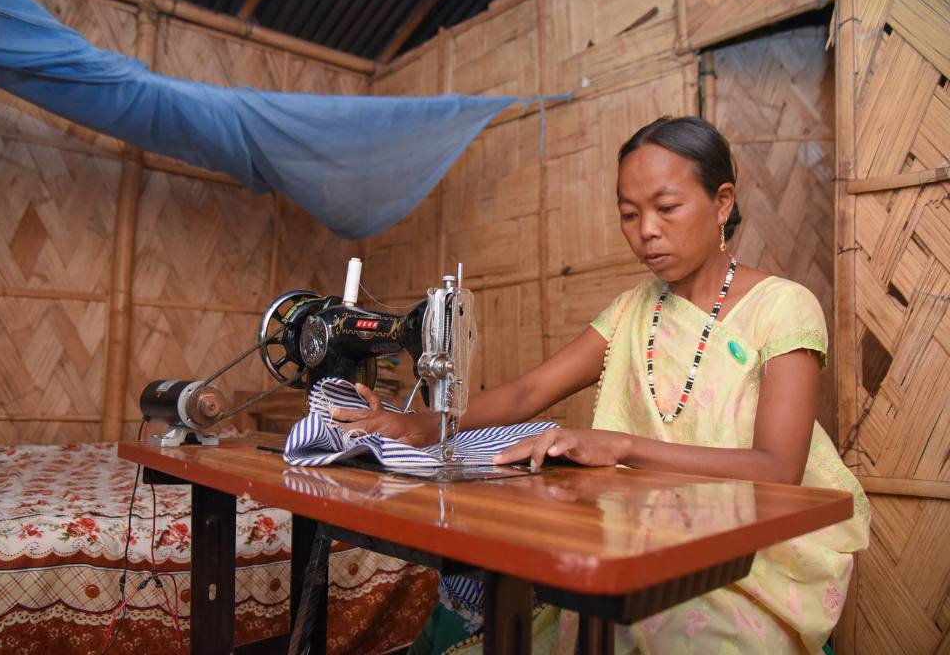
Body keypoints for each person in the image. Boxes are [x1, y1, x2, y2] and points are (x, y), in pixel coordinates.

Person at [332, 116, 870, 654]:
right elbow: (527, 394)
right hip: (650, 539)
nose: (646, 231)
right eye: (629, 215)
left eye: (667, 208)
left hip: (753, 555)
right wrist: (423, 424)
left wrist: (619, 446)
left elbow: (779, 468)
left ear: (722, 203)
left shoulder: (782, 306)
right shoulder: (634, 310)